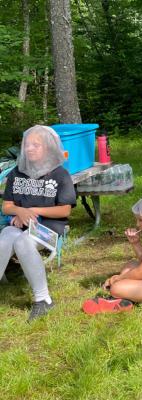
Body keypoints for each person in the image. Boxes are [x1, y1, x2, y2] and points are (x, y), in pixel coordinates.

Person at [0, 125, 76, 322]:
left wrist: (30, 211)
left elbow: (64, 210)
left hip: (49, 229)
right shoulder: (17, 172)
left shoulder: (60, 174)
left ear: (49, 148)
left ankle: (44, 301)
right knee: (4, 240)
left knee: (23, 242)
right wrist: (19, 210)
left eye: (36, 145)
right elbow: (6, 206)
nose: (29, 149)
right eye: (27, 144)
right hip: (19, 224)